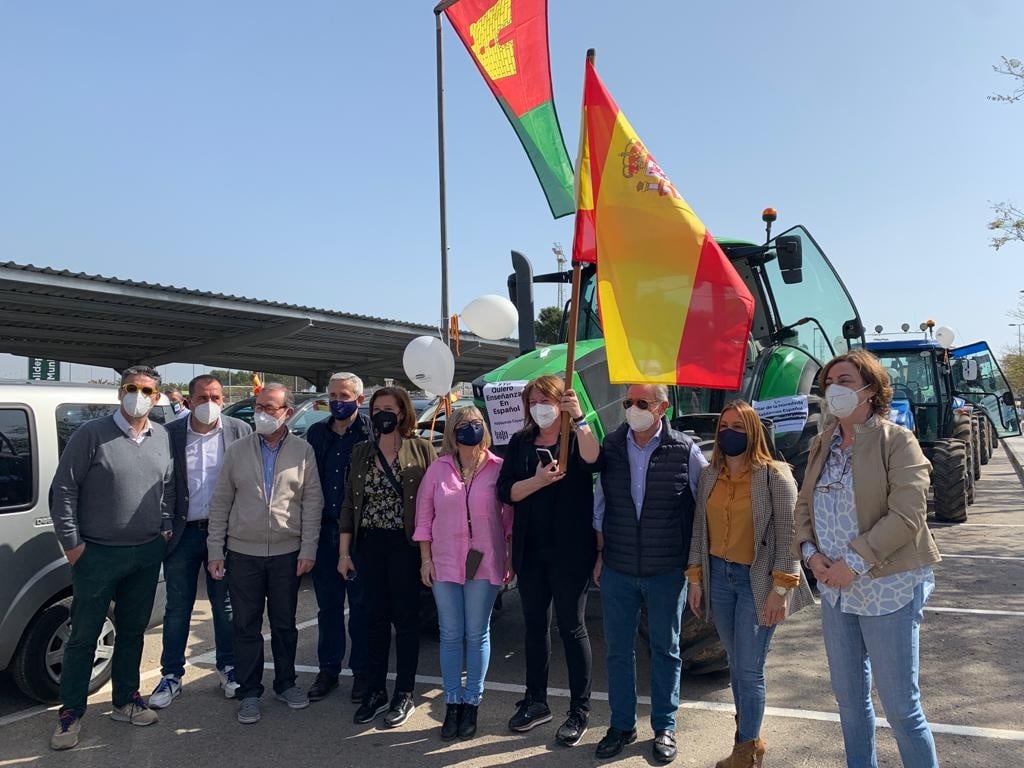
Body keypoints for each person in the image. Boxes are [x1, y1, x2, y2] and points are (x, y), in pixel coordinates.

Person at [795, 349, 940, 768]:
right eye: (828, 384)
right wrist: (811, 555)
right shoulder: (822, 443)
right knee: (851, 705)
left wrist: (853, 562)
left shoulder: (897, 441)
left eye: (843, 380)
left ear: (870, 389)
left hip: (886, 590)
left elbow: (908, 515)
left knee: (901, 709)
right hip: (836, 594)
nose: (833, 390)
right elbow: (803, 508)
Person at [48, 366, 175, 750]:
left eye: (146, 390)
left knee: (133, 632)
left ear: (156, 398)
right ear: (121, 392)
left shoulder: (162, 436)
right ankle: (71, 713)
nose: (138, 395)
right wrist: (73, 544)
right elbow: (64, 489)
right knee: (83, 636)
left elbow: (167, 486)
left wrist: (165, 526)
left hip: (145, 551)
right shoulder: (91, 435)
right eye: (131, 388)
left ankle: (126, 700)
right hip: (97, 554)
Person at [686, 400, 814, 768]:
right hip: (719, 579)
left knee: (749, 669)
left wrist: (781, 589)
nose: (730, 433)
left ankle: (744, 750)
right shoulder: (710, 476)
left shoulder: (775, 475)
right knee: (736, 660)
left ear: (754, 431)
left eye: (740, 427)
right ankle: (750, 741)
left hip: (756, 582)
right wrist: (695, 578)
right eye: (725, 426)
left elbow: (790, 535)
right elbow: (699, 529)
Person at [592, 383, 707, 763]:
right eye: (628, 402)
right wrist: (599, 554)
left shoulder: (685, 450)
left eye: (642, 403)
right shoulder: (611, 445)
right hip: (619, 569)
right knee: (618, 652)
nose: (633, 409)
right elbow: (600, 505)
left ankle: (665, 727)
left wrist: (694, 570)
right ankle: (622, 725)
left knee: (666, 650)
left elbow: (706, 503)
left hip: (665, 571)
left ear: (662, 407)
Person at [206, 383, 324, 725]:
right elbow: (221, 502)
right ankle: (249, 691)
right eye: (259, 406)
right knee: (245, 625)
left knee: (286, 624)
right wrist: (216, 549)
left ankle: (286, 683)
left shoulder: (303, 451)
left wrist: (309, 547)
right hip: (243, 553)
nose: (261, 413)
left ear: (287, 412)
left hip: (288, 553)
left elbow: (312, 502)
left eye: (269, 407)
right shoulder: (238, 450)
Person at [496, 374, 602, 746]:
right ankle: (537, 701)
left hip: (571, 552)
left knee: (572, 628)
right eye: (533, 400)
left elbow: (595, 460)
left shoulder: (574, 440)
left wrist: (582, 419)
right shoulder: (521, 443)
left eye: (546, 399)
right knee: (534, 627)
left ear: (561, 402)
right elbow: (506, 492)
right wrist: (539, 481)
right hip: (531, 551)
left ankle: (579, 710)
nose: (539, 406)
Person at [148, 375, 251, 709]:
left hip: (222, 533)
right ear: (189, 401)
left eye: (216, 397)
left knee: (225, 606)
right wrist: (164, 524)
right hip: (183, 534)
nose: (210, 404)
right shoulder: (170, 434)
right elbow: (161, 483)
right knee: (178, 607)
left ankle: (228, 667)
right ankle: (172, 675)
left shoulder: (239, 430)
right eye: (203, 397)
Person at [339, 386, 436, 728]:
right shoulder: (361, 452)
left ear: (402, 413)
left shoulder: (422, 449)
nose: (383, 414)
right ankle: (376, 690)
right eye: (377, 408)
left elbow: (434, 502)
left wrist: (430, 554)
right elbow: (350, 505)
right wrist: (344, 552)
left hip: (406, 547)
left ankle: (404, 693)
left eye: (390, 408)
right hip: (370, 546)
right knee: (373, 620)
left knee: (407, 621)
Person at [415, 406, 513, 740]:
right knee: (450, 633)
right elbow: (423, 518)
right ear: (452, 431)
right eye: (462, 424)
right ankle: (452, 703)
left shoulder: (499, 468)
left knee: (477, 632)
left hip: (485, 562)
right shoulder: (437, 469)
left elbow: (508, 518)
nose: (469, 430)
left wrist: (510, 556)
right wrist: (425, 560)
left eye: (475, 424)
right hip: (444, 562)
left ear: (484, 429)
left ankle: (472, 702)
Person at [304, 372, 371, 703]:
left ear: (359, 399)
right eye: (332, 395)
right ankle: (328, 670)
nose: (336, 402)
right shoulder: (317, 433)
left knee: (360, 607)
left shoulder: (369, 433)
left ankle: (361, 672)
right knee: (328, 607)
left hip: (359, 535)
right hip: (325, 531)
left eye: (343, 396)